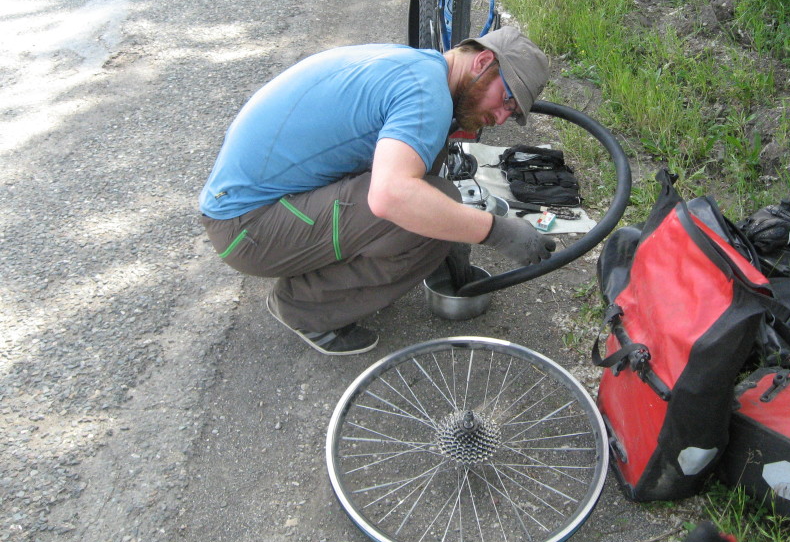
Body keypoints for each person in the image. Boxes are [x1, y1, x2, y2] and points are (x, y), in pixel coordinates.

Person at [198, 26, 555, 355]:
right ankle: (304, 308)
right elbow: (391, 195)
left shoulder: (419, 67)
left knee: (432, 199)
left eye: (514, 112)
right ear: (483, 60)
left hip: (247, 209)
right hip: (247, 230)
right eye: (507, 99)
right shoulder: (425, 95)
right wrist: (496, 231)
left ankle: (320, 272)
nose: (503, 117)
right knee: (429, 209)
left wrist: (454, 232)